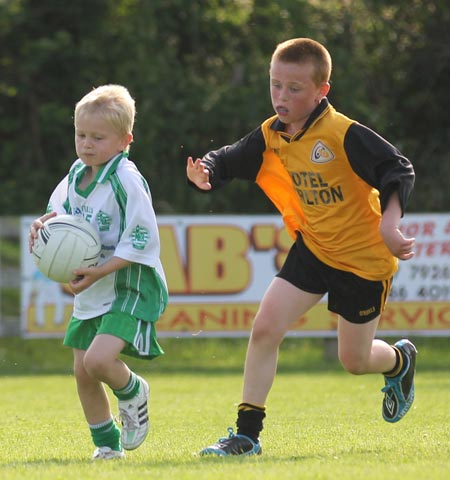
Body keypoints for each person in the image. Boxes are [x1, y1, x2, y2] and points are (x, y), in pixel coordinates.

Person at [186, 38, 416, 456]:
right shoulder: (272, 133)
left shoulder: (342, 133)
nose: (281, 97)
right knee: (265, 328)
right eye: (275, 85)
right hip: (314, 249)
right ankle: (246, 436)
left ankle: (399, 362)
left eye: (294, 88)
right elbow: (233, 157)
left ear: (321, 91)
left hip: (363, 263)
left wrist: (390, 221)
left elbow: (396, 168)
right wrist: (209, 169)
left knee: (355, 361)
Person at [29, 84, 168, 460]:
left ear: (125, 140)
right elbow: (57, 218)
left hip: (127, 283)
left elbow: (143, 238)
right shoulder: (77, 174)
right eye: (81, 135)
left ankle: (133, 390)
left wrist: (100, 270)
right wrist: (41, 229)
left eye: (97, 137)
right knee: (83, 372)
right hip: (93, 288)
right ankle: (107, 447)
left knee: (98, 361)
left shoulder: (125, 179)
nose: (87, 144)